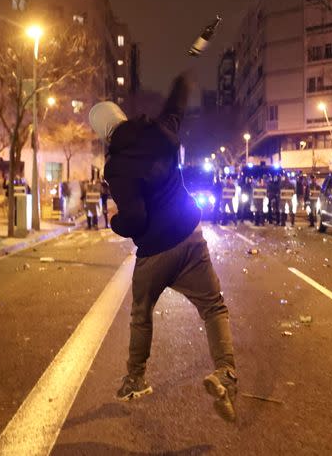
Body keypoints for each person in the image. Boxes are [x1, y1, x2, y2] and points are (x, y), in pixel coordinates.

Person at [88, 75, 237, 422]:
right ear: (121, 117)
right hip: (189, 236)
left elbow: (136, 219)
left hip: (155, 251)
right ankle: (226, 371)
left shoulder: (118, 167)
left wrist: (114, 221)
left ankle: (134, 379)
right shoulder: (159, 132)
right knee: (213, 307)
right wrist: (183, 81)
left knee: (141, 314)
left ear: (103, 134)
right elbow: (176, 108)